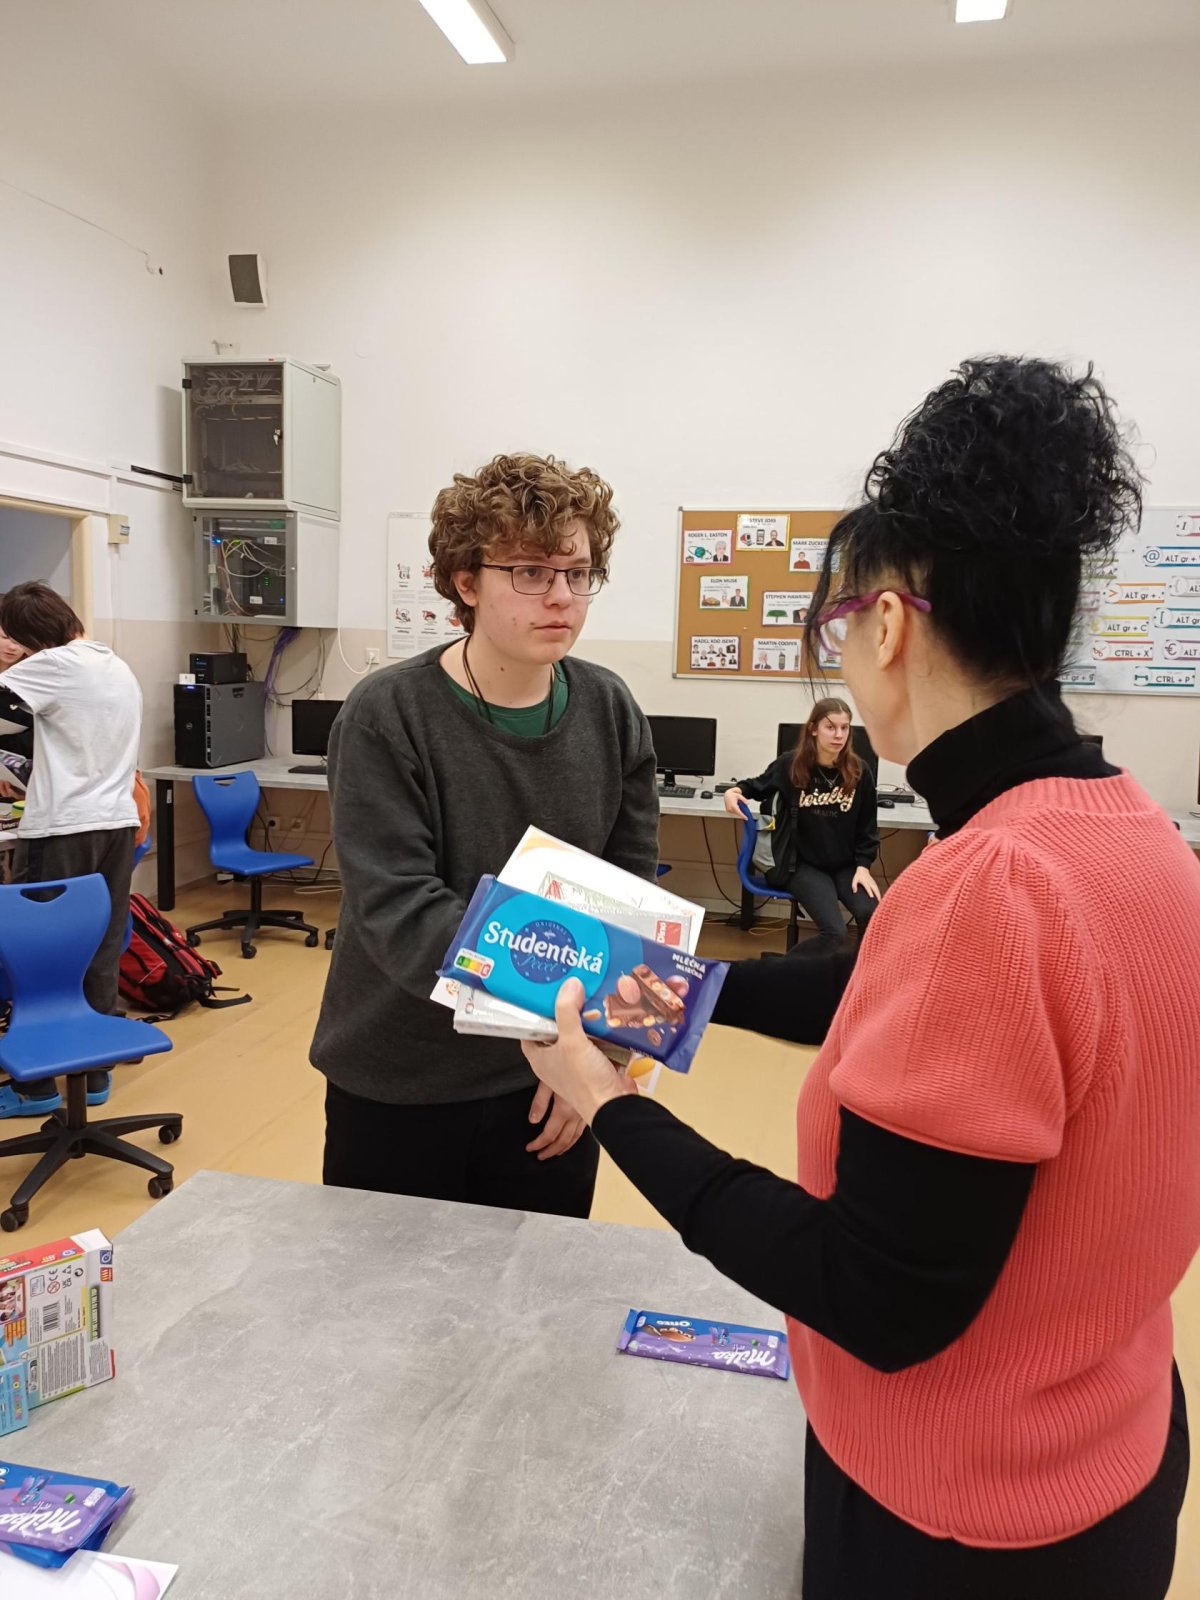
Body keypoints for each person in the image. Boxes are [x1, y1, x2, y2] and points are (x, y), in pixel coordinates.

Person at [522, 357, 1200, 1598]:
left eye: (837, 623)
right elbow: (893, 992)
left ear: (887, 624)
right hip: (1114, 1456)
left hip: (958, 1520)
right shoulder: (1132, 833)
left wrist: (608, 1100)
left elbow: (874, 1295)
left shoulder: (990, 887)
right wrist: (665, 993)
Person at [310, 452, 658, 1219]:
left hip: (550, 1083)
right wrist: (563, 1026)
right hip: (403, 1080)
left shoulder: (611, 709)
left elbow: (630, 897)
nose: (561, 596)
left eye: (578, 573)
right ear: (465, 583)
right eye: (530, 572)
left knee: (534, 1284)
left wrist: (597, 1057)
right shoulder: (386, 715)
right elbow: (403, 913)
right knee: (385, 1287)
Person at [0, 583, 142, 1114]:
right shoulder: (113, 664)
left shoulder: (53, 664)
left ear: (31, 635)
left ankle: (35, 1088)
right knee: (99, 947)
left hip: (63, 828)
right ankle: (93, 1075)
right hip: (115, 825)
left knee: (37, 957)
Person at [723, 698, 880, 956]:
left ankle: (855, 976)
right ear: (813, 729)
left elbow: (867, 827)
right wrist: (733, 792)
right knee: (835, 934)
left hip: (846, 865)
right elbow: (755, 786)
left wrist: (863, 867)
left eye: (844, 728)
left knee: (874, 918)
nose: (838, 735)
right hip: (802, 864)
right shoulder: (790, 764)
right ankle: (784, 971)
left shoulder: (859, 771)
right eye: (831, 727)